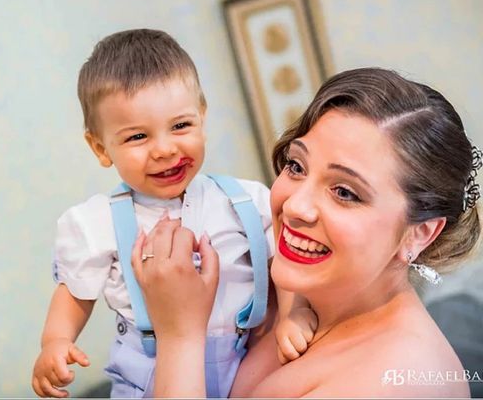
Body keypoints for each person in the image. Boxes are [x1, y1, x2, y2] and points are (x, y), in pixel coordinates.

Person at [133, 67, 481, 398]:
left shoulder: (400, 381)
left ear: (419, 234)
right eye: (296, 166)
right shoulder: (267, 285)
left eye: (345, 192)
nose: (294, 206)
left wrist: (180, 337)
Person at [31, 29, 318, 398]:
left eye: (180, 126)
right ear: (101, 148)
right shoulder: (96, 222)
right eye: (138, 137)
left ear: (202, 117)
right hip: (147, 376)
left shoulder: (246, 199)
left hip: (244, 363)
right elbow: (75, 292)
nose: (165, 150)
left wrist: (294, 312)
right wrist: (55, 342)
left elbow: (282, 266)